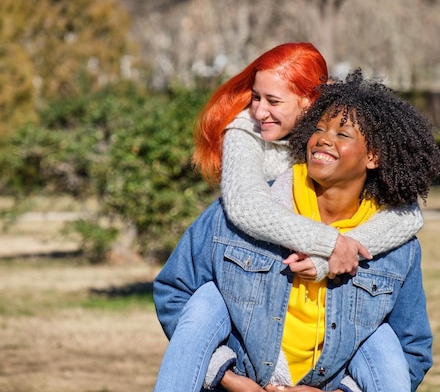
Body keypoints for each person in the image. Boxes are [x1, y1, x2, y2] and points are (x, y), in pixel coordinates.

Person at [154, 44, 422, 392]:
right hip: (249, 362)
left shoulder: (392, 234)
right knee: (205, 301)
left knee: (383, 339)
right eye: (256, 97)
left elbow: (408, 215)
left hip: (326, 370)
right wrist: (231, 379)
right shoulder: (246, 134)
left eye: (273, 101)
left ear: (309, 102)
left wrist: (344, 252)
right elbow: (246, 205)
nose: (258, 111)